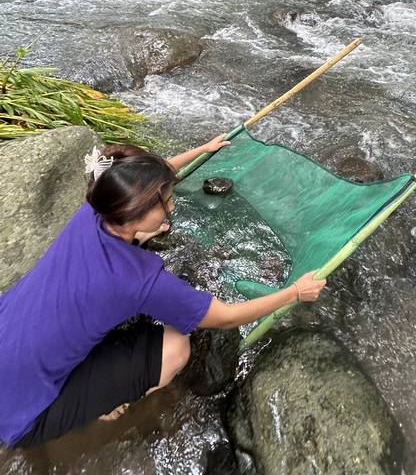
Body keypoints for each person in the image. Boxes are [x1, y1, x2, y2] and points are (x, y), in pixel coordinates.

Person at [0, 135, 326, 448]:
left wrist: (203, 149)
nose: (172, 204)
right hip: (21, 415)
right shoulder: (138, 279)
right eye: (166, 201)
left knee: (137, 246)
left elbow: (147, 178)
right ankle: (105, 403)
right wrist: (295, 293)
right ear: (135, 211)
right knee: (176, 347)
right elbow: (225, 317)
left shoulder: (97, 207)